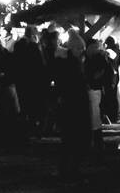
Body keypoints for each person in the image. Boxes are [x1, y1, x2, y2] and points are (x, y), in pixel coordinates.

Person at [54, 30, 93, 184]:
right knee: (76, 139)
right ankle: (72, 171)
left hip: (69, 106)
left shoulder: (66, 62)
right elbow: (76, 85)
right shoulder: (73, 64)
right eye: (79, 49)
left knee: (69, 140)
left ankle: (66, 169)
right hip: (75, 106)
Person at [13, 26, 47, 134]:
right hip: (33, 80)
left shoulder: (18, 44)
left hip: (21, 79)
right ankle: (31, 126)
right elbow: (40, 64)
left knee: (23, 103)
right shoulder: (34, 46)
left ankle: (24, 127)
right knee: (32, 104)